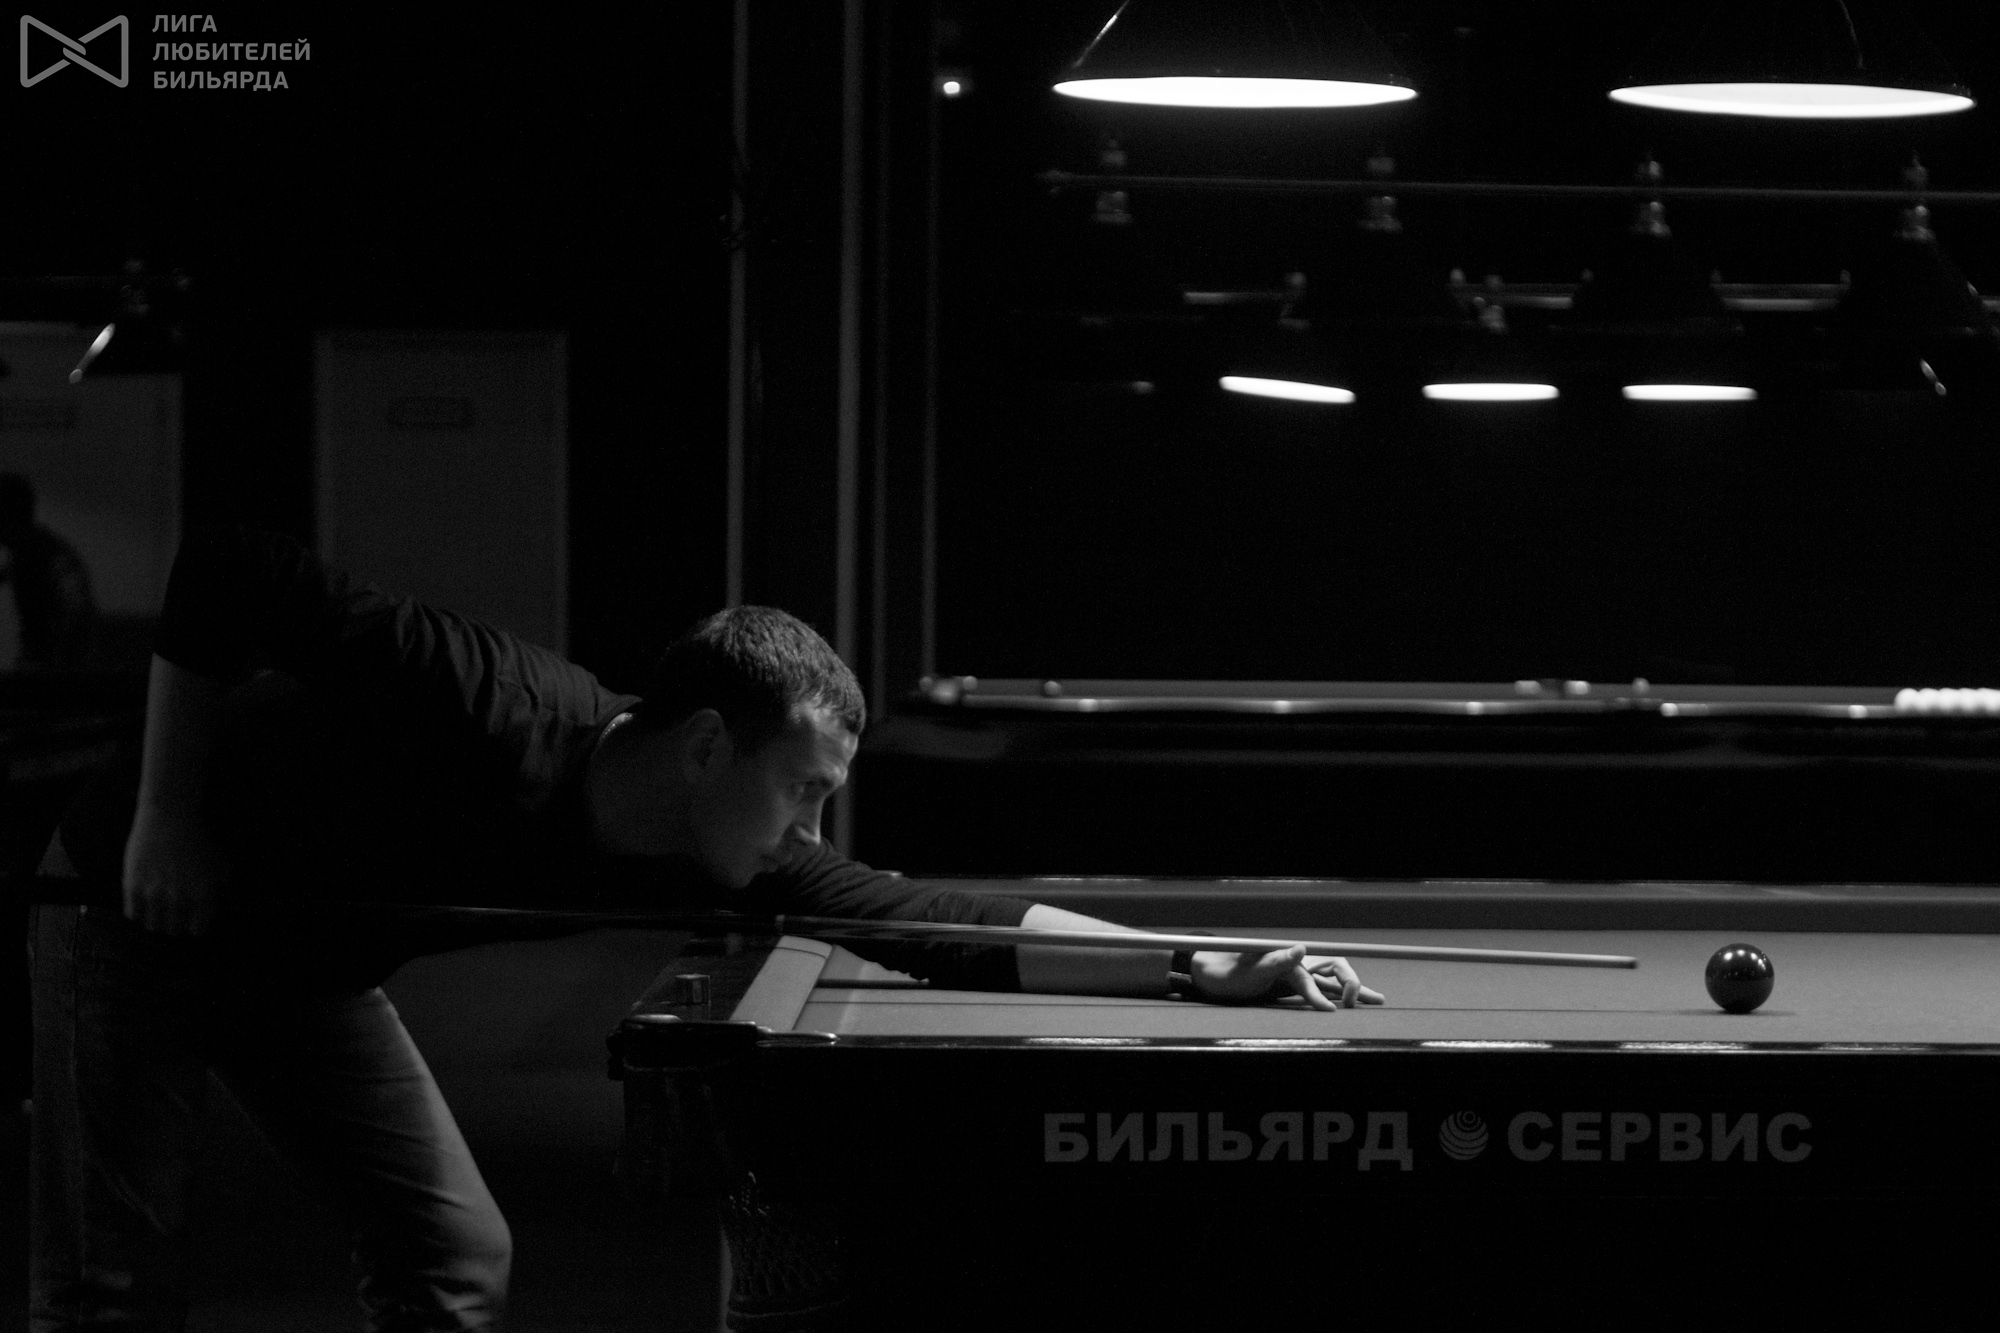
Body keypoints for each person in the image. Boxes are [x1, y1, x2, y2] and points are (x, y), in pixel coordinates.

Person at [27, 524, 1381, 1331]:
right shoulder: (485, 696)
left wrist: (1188, 964)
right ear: (705, 748)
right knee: (112, 1290)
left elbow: (929, 919)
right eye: (801, 787)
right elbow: (227, 567)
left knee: (455, 1254)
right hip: (129, 911)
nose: (810, 823)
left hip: (309, 962)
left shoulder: (725, 846)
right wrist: (166, 821)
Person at [0, 473, 97, 669]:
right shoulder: (34, 550)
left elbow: (77, 613)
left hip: (55, 671)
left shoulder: (40, 555)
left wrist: (53, 667)